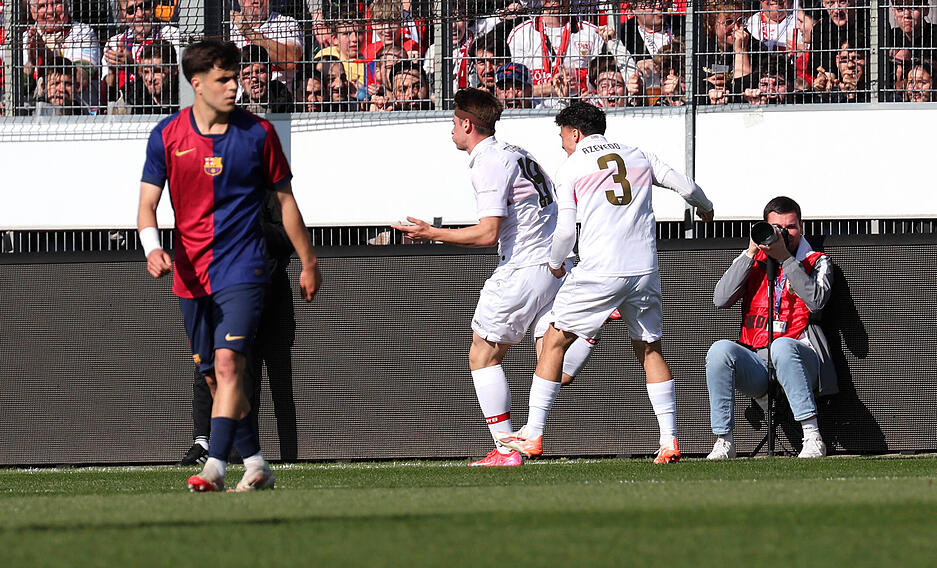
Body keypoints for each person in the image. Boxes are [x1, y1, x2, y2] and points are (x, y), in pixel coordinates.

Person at [137, 40, 322, 491]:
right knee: (215, 376)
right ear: (196, 84)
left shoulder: (258, 134)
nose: (234, 86)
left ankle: (215, 468)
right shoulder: (166, 136)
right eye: (223, 79)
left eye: (235, 77)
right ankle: (256, 462)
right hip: (189, 273)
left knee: (227, 364)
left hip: (244, 269)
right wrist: (152, 248)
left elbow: (285, 203)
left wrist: (309, 261)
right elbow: (146, 205)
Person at [495, 102, 714, 464]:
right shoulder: (639, 155)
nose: (562, 142)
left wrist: (553, 263)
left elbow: (566, 231)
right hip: (643, 269)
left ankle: (532, 434)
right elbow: (687, 187)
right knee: (649, 349)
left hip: (600, 271)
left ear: (575, 133)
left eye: (563, 135)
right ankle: (670, 439)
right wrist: (706, 208)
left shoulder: (571, 167)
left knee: (553, 341)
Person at [391, 88, 595, 466]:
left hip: (523, 268)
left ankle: (505, 450)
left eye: (454, 122)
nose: (451, 129)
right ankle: (591, 325)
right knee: (553, 365)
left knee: (482, 355)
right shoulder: (518, 152)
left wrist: (431, 233)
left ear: (468, 124)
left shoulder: (487, 161)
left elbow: (487, 233)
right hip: (555, 266)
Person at [705, 196, 836, 460]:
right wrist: (751, 252)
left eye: (790, 227)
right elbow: (720, 299)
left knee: (783, 346)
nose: (784, 234)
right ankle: (724, 441)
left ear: (802, 227)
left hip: (800, 357)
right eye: (776, 227)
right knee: (719, 351)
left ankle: (812, 437)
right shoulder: (752, 262)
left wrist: (787, 260)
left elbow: (817, 301)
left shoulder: (817, 261)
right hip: (758, 362)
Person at [179, 191, 299, 465]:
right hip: (233, 299)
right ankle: (233, 451)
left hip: (273, 302)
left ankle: (289, 455)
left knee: (281, 384)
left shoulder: (267, 192)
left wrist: (258, 228)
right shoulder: (212, 194)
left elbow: (287, 239)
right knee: (231, 374)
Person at [507, 0, 606, 105]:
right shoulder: (519, 34)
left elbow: (599, 85)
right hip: (535, 113)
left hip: (577, 110)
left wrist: (577, 85)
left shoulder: (592, 34)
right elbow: (515, 90)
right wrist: (553, 88)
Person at [22, 0, 100, 111]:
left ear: (67, 7)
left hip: (81, 115)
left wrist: (44, 54)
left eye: (56, 3)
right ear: (32, 12)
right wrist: (31, 62)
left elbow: (80, 81)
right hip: (34, 117)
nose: (50, 11)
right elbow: (17, 89)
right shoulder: (26, 38)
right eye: (42, 6)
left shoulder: (83, 33)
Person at [102, 0, 180, 100]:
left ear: (154, 6)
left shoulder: (172, 36)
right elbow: (105, 99)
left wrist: (134, 68)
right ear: (122, 15)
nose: (140, 14)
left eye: (145, 6)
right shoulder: (114, 43)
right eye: (131, 10)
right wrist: (112, 72)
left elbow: (175, 85)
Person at [229, 0, 304, 92]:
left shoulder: (287, 23)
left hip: (280, 100)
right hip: (238, 102)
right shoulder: (227, 26)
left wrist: (249, 33)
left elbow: (290, 59)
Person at [237, 44, 295, 113]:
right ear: (239, 79)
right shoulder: (235, 116)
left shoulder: (291, 110)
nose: (254, 79)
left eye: (260, 72)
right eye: (247, 74)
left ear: (270, 74)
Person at [127, 40, 179, 114]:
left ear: (174, 70)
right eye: (146, 72)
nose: (150, 79)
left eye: (157, 71)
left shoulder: (186, 98)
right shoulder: (138, 97)